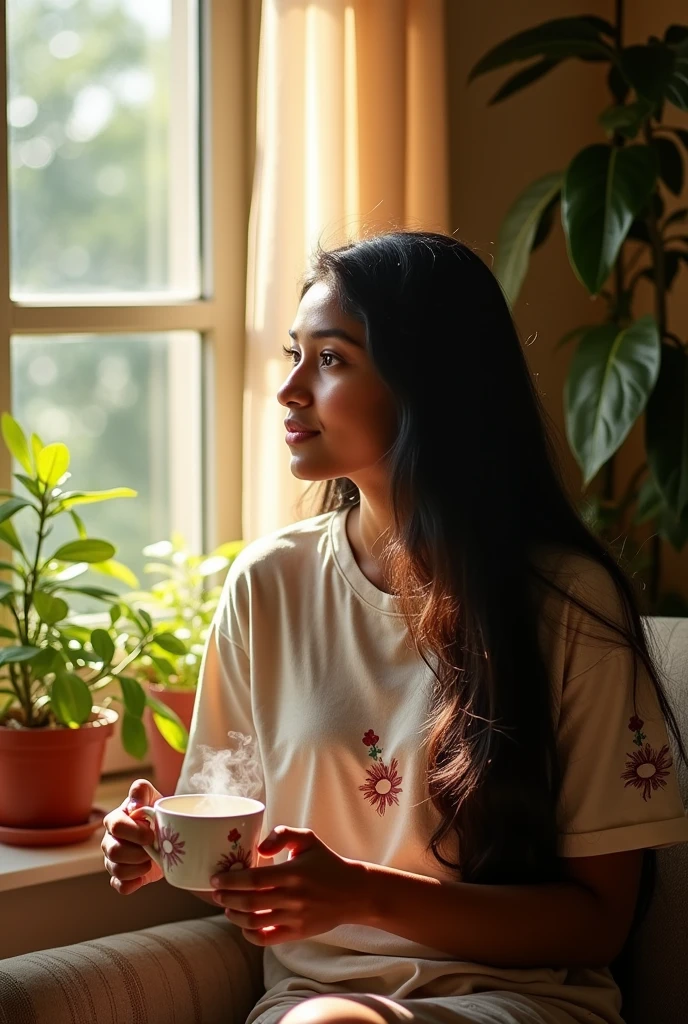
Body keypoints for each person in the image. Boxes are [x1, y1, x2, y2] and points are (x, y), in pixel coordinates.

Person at [103, 230, 688, 1024]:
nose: (289, 390)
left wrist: (365, 894)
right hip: (313, 1002)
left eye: (332, 359)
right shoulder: (267, 585)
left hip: (520, 1001)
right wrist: (154, 841)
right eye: (294, 354)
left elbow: (598, 921)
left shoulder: (565, 605)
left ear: (429, 385)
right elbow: (230, 843)